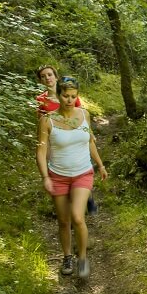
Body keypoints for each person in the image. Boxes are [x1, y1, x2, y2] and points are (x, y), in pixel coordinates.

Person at [36, 76, 107, 280]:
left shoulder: (84, 114)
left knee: (77, 216)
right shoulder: (47, 120)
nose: (69, 100)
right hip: (58, 176)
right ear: (58, 95)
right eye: (65, 96)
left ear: (77, 96)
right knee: (63, 221)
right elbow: (40, 152)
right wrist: (45, 177)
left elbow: (90, 141)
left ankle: (82, 257)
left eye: (73, 96)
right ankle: (67, 256)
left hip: (83, 173)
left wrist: (100, 165)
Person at [35, 64, 97, 215]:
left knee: (80, 166)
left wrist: (89, 133)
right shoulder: (41, 100)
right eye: (43, 76)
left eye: (49, 74)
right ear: (41, 81)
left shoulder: (67, 91)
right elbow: (40, 121)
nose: (47, 78)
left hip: (75, 136)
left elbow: (80, 114)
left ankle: (87, 197)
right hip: (55, 138)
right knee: (56, 169)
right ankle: (63, 204)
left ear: (55, 76)